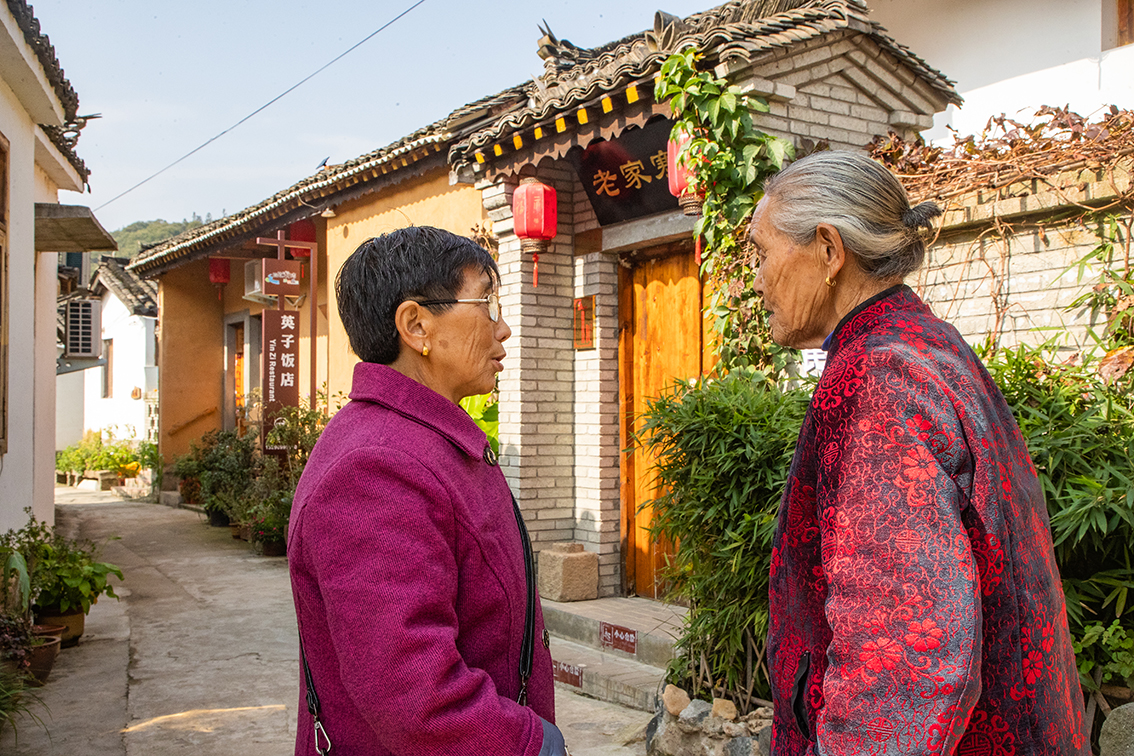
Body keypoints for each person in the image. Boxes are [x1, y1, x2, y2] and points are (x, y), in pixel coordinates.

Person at [751, 152, 1088, 755]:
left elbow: (904, 648)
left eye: (763, 253)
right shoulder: (923, 341)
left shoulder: (878, 376)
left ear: (829, 251)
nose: (754, 278)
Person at [287, 226, 565, 755]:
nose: (503, 328)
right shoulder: (374, 468)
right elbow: (413, 693)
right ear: (417, 325)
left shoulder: (426, 440)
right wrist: (529, 742)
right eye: (486, 303)